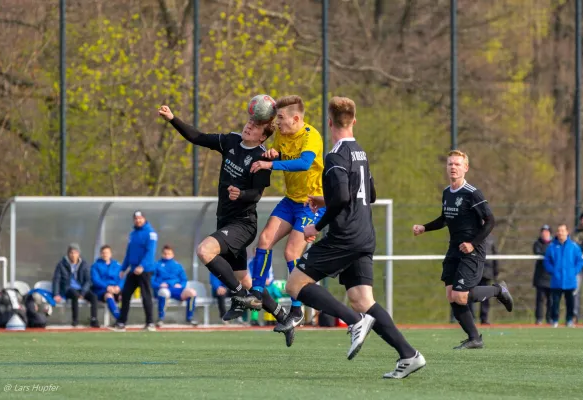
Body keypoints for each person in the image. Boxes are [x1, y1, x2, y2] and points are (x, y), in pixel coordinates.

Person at [279, 96, 425, 379]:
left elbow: (344, 197)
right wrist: (325, 199)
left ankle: (354, 322)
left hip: (345, 235)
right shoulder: (361, 152)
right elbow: (369, 195)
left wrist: (315, 226)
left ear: (330, 122)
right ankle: (409, 354)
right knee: (362, 299)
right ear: (354, 121)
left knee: (295, 284)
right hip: (365, 233)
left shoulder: (334, 156)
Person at [158, 103, 274, 324]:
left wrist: (240, 194)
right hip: (226, 222)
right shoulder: (230, 141)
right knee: (246, 280)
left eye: (256, 126)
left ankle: (239, 296)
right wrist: (173, 118)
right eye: (250, 121)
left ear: (262, 138)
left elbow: (256, 195)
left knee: (204, 251)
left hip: (243, 224)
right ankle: (281, 315)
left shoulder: (262, 157)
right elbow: (197, 137)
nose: (250, 126)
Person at [413, 150, 513, 349]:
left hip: (472, 250)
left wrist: (473, 243)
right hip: (454, 249)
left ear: (465, 168)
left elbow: (490, 221)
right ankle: (474, 338)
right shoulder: (446, 193)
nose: (453, 167)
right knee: (451, 295)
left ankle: (498, 290)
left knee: (460, 295)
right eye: (450, 164)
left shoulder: (472, 193)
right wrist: (424, 227)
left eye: (457, 164)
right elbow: (444, 219)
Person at [247, 95, 325, 333]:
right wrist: (272, 154)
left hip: (313, 203)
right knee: (264, 240)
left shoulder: (312, 136)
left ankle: (297, 308)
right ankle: (258, 292)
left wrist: (271, 165)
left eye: (280, 118)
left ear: (296, 118)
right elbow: (280, 152)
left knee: (291, 252)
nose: (277, 123)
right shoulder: (281, 133)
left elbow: (303, 163)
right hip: (291, 200)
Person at [115, 211, 158, 332]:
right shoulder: (133, 234)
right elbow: (129, 253)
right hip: (133, 270)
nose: (138, 220)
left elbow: (150, 252)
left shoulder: (151, 233)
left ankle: (150, 323)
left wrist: (142, 266)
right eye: (136, 219)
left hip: (145, 270)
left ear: (144, 219)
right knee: (125, 294)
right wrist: (123, 268)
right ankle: (121, 322)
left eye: (140, 218)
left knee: (146, 296)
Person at [544, 224, 583, 327]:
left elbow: (579, 261)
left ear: (567, 232)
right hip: (556, 280)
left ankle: (569, 320)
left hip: (570, 280)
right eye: (559, 230)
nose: (560, 233)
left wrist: (574, 271)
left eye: (562, 230)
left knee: (570, 303)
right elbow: (547, 261)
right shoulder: (552, 247)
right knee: (555, 303)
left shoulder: (574, 247)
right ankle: (555, 320)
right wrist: (552, 271)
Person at [52, 243, 99, 328]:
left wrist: (83, 292)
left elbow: (88, 280)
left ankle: (94, 319)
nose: (73, 255)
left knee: (94, 297)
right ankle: (75, 320)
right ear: (68, 254)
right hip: (68, 289)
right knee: (74, 295)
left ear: (79, 254)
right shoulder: (61, 264)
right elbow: (56, 280)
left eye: (75, 253)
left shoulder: (84, 264)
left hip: (81, 289)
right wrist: (56, 294)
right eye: (71, 253)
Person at [152, 245, 197, 327]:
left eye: (169, 254)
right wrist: (159, 285)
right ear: (162, 254)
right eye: (165, 253)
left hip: (176, 290)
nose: (167, 255)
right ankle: (160, 319)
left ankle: (189, 318)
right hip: (163, 289)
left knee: (192, 292)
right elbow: (151, 281)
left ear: (173, 254)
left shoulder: (178, 265)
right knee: (163, 292)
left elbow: (184, 279)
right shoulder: (156, 265)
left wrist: (180, 285)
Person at [91, 245, 123, 321]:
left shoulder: (117, 265)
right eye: (103, 253)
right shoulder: (95, 266)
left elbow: (122, 278)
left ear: (110, 254)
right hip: (102, 290)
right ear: (100, 254)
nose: (105, 254)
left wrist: (119, 287)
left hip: (116, 289)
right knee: (108, 296)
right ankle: (119, 319)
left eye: (107, 253)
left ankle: (123, 318)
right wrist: (107, 287)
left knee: (124, 297)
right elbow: (95, 280)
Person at [533, 225, 553, 325]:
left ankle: (550, 318)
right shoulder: (537, 243)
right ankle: (539, 319)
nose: (545, 234)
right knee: (540, 299)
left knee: (551, 300)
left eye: (547, 232)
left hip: (551, 276)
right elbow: (538, 252)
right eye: (543, 232)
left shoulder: (554, 244)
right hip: (540, 277)